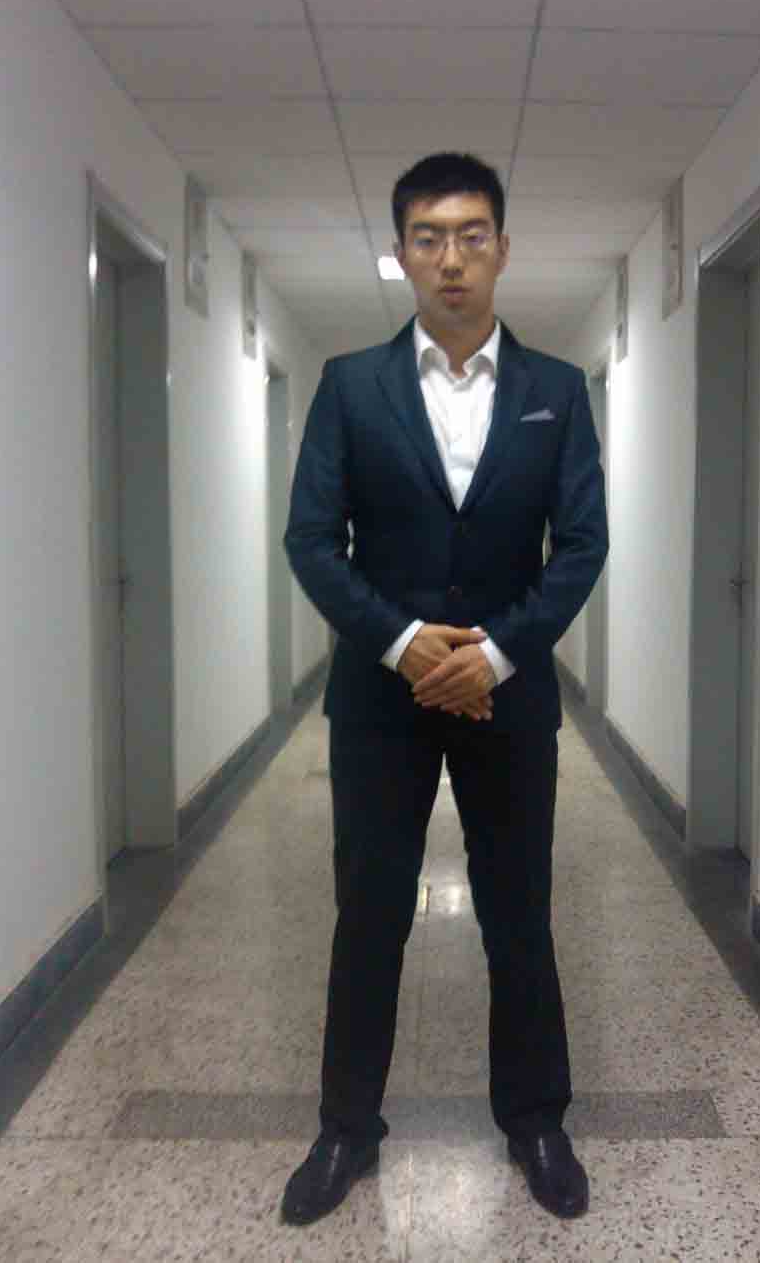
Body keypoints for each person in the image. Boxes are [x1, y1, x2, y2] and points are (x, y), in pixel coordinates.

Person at [281, 152, 608, 1226]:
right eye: (428, 238)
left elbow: (581, 544)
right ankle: (345, 1127)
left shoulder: (555, 392)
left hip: (509, 704)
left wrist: (495, 654)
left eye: (471, 236)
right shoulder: (349, 386)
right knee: (369, 916)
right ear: (402, 254)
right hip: (380, 707)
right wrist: (406, 643)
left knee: (519, 915)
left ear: (503, 249)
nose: (451, 259)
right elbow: (313, 540)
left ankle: (537, 1121)